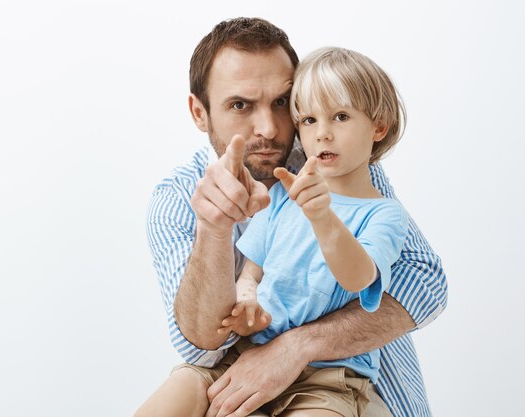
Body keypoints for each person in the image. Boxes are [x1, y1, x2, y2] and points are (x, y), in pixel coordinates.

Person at [140, 17, 447, 417]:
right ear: (200, 113)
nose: (268, 128)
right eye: (240, 105)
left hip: (349, 385)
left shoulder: (337, 165)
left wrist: (297, 347)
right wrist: (214, 231)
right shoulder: (178, 198)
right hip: (235, 379)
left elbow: (425, 283)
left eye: (282, 102)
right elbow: (199, 344)